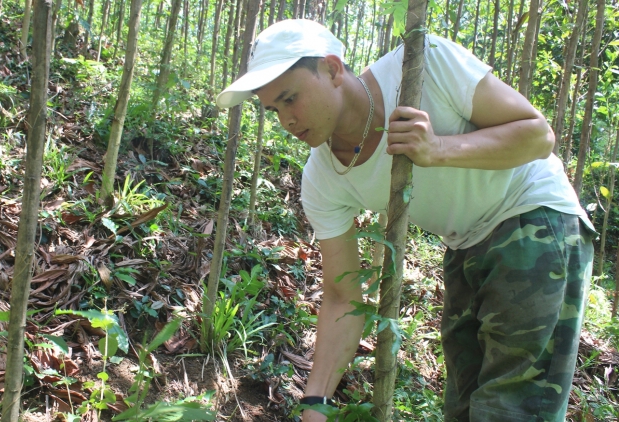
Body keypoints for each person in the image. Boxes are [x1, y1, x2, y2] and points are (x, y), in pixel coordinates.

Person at [216, 19, 594, 422]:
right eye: (274, 109)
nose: (286, 121)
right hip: (464, 245)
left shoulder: (422, 64)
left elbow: (539, 136)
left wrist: (438, 149)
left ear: (332, 68)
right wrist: (316, 401)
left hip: (534, 218)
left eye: (290, 98)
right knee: (464, 409)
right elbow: (343, 295)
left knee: (512, 409)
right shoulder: (322, 179)